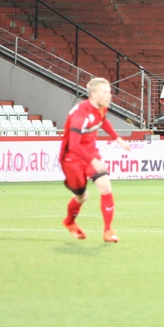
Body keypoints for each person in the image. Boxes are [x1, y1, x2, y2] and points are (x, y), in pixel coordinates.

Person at [60, 77, 131, 243]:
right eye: (105, 92)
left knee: (105, 187)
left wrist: (117, 139)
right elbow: (74, 145)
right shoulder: (80, 114)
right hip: (72, 157)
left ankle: (108, 231)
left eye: (109, 92)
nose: (109, 96)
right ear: (93, 94)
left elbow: (103, 121)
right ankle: (69, 221)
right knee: (82, 197)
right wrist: (93, 161)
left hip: (90, 152)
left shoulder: (101, 108)